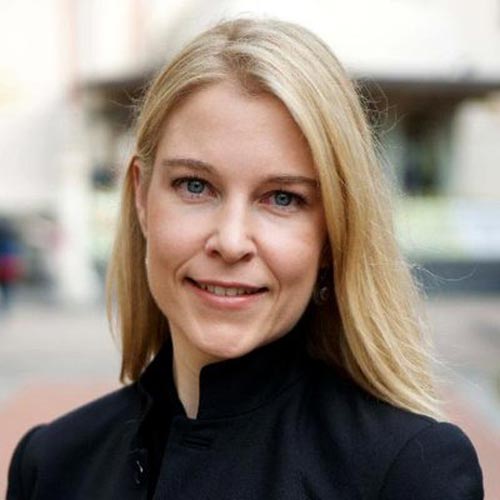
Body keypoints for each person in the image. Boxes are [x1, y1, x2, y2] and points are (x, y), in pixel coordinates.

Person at [7, 18, 483, 499]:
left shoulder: (409, 473)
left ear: (332, 232)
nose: (231, 242)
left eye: (282, 198)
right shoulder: (51, 465)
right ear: (141, 198)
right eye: (195, 186)